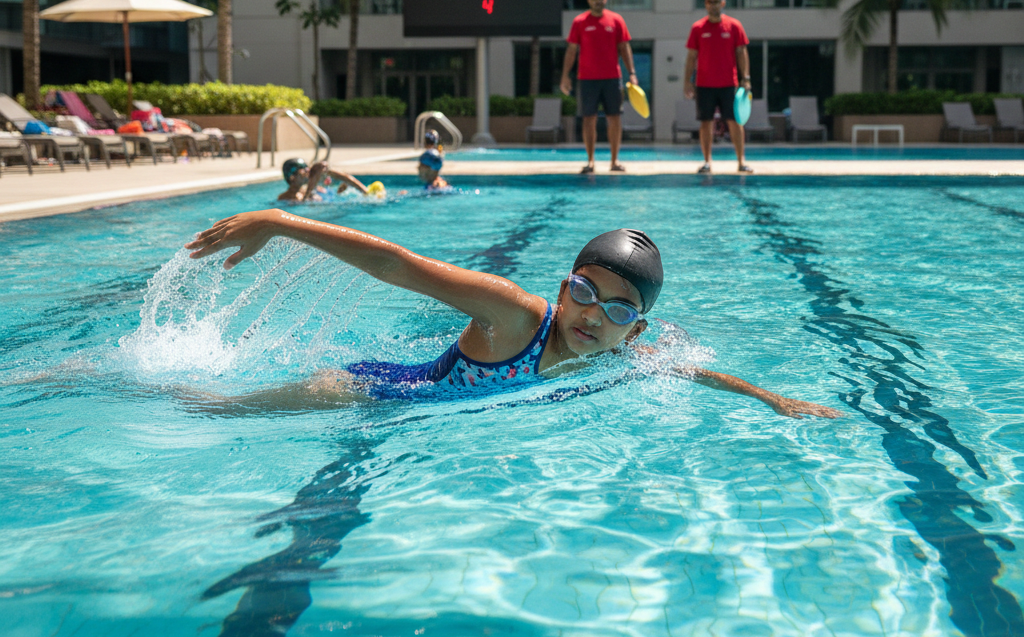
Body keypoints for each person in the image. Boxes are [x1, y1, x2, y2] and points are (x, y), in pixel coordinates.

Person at [185, 215, 840, 419]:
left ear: (633, 330)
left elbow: (691, 373)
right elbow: (400, 267)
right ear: (563, 287)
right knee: (208, 408)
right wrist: (278, 224)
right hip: (364, 391)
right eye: (584, 292)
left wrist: (774, 400)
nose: (592, 316)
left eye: (617, 310)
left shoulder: (614, 352)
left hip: (417, 417)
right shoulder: (516, 317)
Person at [560, 0, 640, 175]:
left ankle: (614, 161)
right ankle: (590, 162)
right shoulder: (580, 22)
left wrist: (632, 73)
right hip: (587, 79)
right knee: (589, 120)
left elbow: (624, 48)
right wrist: (565, 76)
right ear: (589, 0)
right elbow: (572, 50)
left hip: (612, 78)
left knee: (615, 118)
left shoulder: (616, 20)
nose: (597, 1)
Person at [684, 0, 754, 174]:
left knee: (734, 122)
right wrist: (687, 82)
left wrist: (745, 78)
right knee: (706, 122)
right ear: (705, 4)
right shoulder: (698, 28)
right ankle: (707, 162)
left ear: (723, 3)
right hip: (704, 84)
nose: (712, 5)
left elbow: (741, 52)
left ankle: (741, 162)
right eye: (709, 2)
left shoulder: (734, 26)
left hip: (728, 84)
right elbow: (691, 56)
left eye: (716, 2)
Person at [278, 158, 371, 202]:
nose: (308, 171)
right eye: (303, 169)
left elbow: (344, 178)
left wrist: (364, 191)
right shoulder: (285, 197)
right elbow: (305, 202)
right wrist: (312, 183)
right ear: (292, 177)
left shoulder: (318, 188)